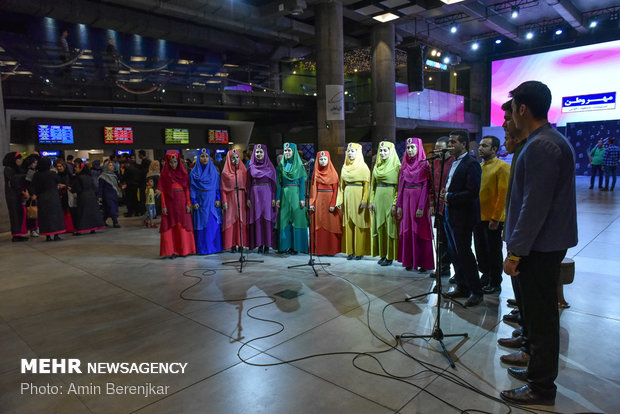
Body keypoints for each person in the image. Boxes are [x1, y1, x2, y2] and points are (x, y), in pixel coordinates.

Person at [500, 81, 578, 406]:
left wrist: (516, 251)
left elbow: (534, 206)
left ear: (522, 109)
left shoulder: (542, 146)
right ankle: (535, 367)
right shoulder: (543, 141)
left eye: (513, 108)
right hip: (541, 244)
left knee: (542, 319)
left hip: (539, 247)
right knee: (535, 314)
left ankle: (541, 388)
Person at [441, 129, 483, 307]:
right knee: (453, 252)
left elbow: (472, 192)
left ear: (463, 144)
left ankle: (476, 291)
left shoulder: (471, 164)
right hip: (450, 213)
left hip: (463, 215)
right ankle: (462, 285)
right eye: (449, 142)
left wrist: (450, 196)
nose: (450, 145)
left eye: (453, 142)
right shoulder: (453, 162)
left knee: (464, 253)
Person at [473, 135, 510, 294]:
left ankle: (495, 282)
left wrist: (496, 217)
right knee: (480, 250)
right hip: (478, 217)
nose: (480, 148)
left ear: (494, 149)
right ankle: (485, 276)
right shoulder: (480, 166)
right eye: (480, 145)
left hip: (492, 219)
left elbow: (503, 195)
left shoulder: (502, 167)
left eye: (485, 146)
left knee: (493, 251)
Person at [396, 137, 434, 271]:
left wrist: (421, 207)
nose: (410, 150)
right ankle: (409, 261)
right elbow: (400, 186)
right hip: (406, 199)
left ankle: (423, 262)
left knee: (420, 230)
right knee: (407, 229)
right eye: (408, 148)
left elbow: (425, 186)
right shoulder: (404, 164)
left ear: (419, 148)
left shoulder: (424, 164)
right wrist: (399, 205)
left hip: (419, 199)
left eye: (413, 147)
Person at [336, 142, 371, 260]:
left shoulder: (363, 167)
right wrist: (339, 201)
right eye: (349, 151)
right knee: (349, 224)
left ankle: (359, 251)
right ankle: (350, 251)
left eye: (352, 151)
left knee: (359, 224)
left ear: (358, 153)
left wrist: (365, 199)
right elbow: (341, 186)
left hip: (358, 196)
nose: (350, 153)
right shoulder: (344, 167)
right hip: (347, 196)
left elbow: (367, 186)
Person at [158, 150, 196, 258]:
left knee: (182, 225)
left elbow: (187, 189)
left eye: (175, 162)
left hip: (182, 201)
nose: (173, 165)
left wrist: (188, 203)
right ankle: (172, 250)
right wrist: (163, 206)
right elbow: (163, 192)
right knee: (171, 225)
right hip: (170, 202)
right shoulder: (164, 175)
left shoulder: (183, 173)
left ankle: (184, 249)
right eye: (170, 162)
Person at [369, 141, 400, 267]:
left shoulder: (397, 166)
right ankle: (382, 254)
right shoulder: (377, 165)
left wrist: (394, 203)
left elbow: (399, 187)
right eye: (381, 150)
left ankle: (390, 256)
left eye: (385, 150)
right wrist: (371, 200)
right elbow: (372, 185)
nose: (382, 153)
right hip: (378, 198)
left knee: (390, 228)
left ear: (391, 151)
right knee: (379, 227)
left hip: (390, 196)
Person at [276, 142, 309, 254]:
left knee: (297, 219)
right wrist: (278, 198)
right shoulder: (281, 165)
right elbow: (279, 183)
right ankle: (285, 246)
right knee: (284, 219)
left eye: (289, 150)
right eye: (285, 151)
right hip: (284, 195)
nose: (287, 153)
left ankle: (296, 247)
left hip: (295, 194)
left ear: (294, 151)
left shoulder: (299, 166)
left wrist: (302, 198)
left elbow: (302, 184)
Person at [428, 136, 454, 279]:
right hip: (438, 207)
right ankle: (443, 267)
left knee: (453, 241)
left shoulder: (453, 163)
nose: (438, 150)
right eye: (436, 148)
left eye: (441, 148)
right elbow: (432, 186)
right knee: (440, 240)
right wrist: (432, 203)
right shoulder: (435, 163)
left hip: (450, 207)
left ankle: (457, 270)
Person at [309, 150, 342, 255]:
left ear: (328, 160)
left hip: (329, 201)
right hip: (318, 201)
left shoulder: (334, 173)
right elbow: (313, 189)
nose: (323, 161)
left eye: (325, 159)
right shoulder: (316, 173)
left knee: (331, 224)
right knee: (319, 224)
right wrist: (312, 203)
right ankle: (319, 250)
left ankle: (331, 250)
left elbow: (336, 190)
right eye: (320, 159)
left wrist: (333, 204)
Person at [190, 149, 222, 255]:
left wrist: (218, 199)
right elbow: (192, 188)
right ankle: (203, 249)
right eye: (202, 156)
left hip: (211, 200)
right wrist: (193, 201)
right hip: (200, 200)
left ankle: (214, 248)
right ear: (198, 158)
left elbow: (217, 187)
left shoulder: (213, 171)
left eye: (207, 156)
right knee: (201, 224)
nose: (205, 158)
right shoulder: (194, 172)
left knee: (212, 223)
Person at [246, 144, 277, 254]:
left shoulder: (270, 166)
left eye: (261, 152)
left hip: (267, 194)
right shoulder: (251, 167)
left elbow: (274, 184)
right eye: (257, 152)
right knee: (257, 219)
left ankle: (267, 244)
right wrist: (248, 198)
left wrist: (274, 197)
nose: (259, 154)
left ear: (265, 153)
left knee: (267, 218)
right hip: (255, 196)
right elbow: (248, 184)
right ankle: (259, 244)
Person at [31, 158, 65, 241]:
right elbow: (58, 181)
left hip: (42, 198)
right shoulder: (52, 174)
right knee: (55, 216)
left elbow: (34, 186)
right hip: (53, 197)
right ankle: (56, 235)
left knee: (45, 217)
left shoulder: (36, 175)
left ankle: (48, 236)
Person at [221, 149, 248, 252]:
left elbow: (247, 187)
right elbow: (222, 188)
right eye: (233, 158)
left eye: (237, 157)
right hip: (230, 198)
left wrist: (247, 199)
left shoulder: (243, 171)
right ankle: (232, 244)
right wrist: (224, 201)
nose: (235, 160)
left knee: (241, 220)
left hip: (241, 197)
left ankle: (241, 244)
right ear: (229, 159)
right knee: (230, 220)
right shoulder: (225, 173)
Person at [71, 158, 105, 235]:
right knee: (91, 213)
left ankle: (80, 229)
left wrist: (71, 189)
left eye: (76, 167)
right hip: (91, 195)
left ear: (80, 167)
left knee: (81, 214)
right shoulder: (89, 176)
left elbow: (77, 189)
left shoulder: (78, 177)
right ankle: (92, 228)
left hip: (83, 196)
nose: (75, 169)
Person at [3, 152, 29, 241]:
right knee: (15, 214)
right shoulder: (9, 169)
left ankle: (18, 233)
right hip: (12, 195)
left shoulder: (15, 168)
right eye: (18, 159)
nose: (20, 161)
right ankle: (16, 235)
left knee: (19, 213)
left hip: (17, 195)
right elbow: (14, 181)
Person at [54, 158, 75, 234]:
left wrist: (65, 186)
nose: (59, 168)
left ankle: (69, 227)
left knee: (68, 211)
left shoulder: (68, 175)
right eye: (58, 166)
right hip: (61, 195)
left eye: (60, 166)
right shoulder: (57, 175)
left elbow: (71, 185)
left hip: (67, 195)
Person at [98, 160, 121, 228]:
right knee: (112, 208)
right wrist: (99, 196)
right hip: (107, 195)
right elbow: (100, 187)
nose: (112, 167)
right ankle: (115, 222)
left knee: (107, 210)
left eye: (112, 165)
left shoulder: (114, 175)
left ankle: (102, 222)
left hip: (114, 194)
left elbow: (117, 184)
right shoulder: (102, 177)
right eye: (110, 165)